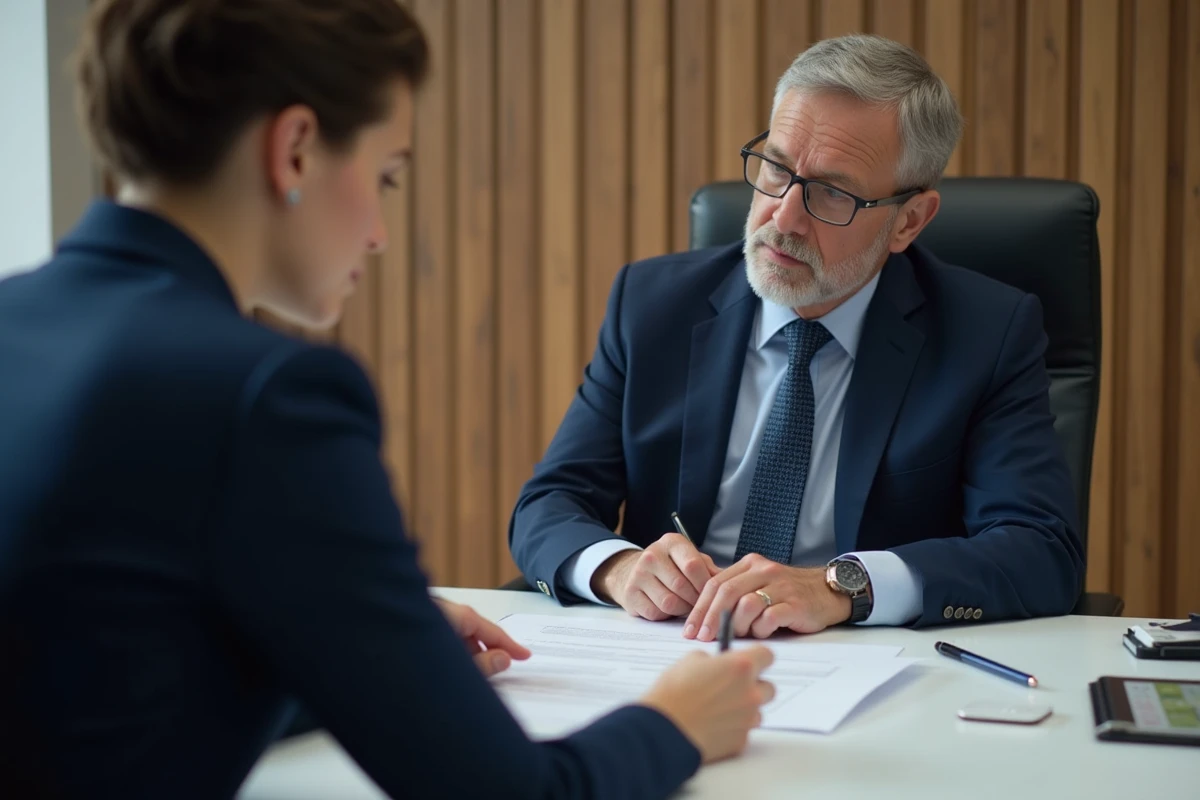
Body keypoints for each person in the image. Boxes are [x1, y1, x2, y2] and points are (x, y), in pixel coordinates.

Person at [0, 2, 776, 798]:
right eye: (386, 175)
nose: (377, 231)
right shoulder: (270, 397)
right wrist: (677, 723)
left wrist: (352, 645)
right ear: (295, 148)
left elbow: (106, 678)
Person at [509, 34, 1085, 642]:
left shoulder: (987, 333)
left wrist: (843, 586)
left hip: (863, 662)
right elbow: (549, 504)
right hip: (674, 649)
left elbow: (1041, 550)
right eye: (777, 169)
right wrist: (620, 570)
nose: (783, 217)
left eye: (833, 192)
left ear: (908, 221)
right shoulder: (653, 306)